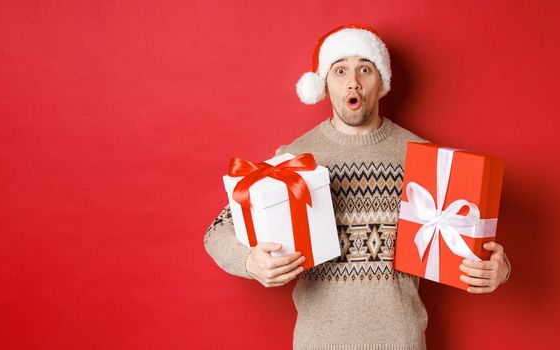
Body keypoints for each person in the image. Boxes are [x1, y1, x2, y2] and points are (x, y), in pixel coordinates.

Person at [204, 23, 511, 349]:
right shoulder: (293, 160)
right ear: (324, 84)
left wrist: (499, 269)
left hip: (400, 341)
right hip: (319, 343)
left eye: (364, 69)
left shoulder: (425, 159)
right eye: (340, 71)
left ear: (381, 82)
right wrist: (250, 262)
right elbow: (217, 232)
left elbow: (472, 246)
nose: (353, 82)